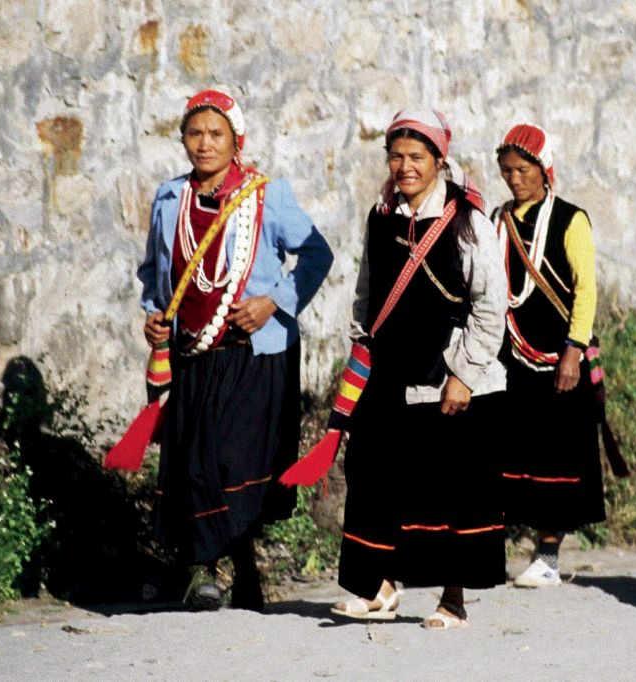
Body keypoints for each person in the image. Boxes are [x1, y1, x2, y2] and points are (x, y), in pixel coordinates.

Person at [137, 89, 333, 611]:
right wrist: (156, 317)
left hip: (256, 355)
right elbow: (157, 272)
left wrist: (274, 302)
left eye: (215, 134)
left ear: (235, 140)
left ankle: (233, 560)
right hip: (195, 354)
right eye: (194, 133)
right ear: (182, 139)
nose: (204, 144)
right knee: (197, 461)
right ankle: (208, 568)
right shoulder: (168, 199)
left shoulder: (268, 196)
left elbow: (317, 253)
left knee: (235, 459)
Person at [330, 110, 508, 629]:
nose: (405, 166)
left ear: (438, 160)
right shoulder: (380, 217)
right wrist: (359, 355)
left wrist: (465, 374)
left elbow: (489, 304)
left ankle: (452, 598)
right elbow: (367, 296)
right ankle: (380, 588)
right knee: (375, 478)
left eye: (416, 157)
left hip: (448, 375)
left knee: (449, 489)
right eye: (396, 156)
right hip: (387, 374)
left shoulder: (466, 219)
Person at [492, 124, 605, 587]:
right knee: (507, 451)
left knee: (554, 455)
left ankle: (549, 556)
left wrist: (573, 352)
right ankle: (493, 552)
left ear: (544, 169)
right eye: (507, 171)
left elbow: (586, 290)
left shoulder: (570, 220)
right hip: (509, 354)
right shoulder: (497, 221)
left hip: (558, 355)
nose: (514, 179)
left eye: (523, 169)